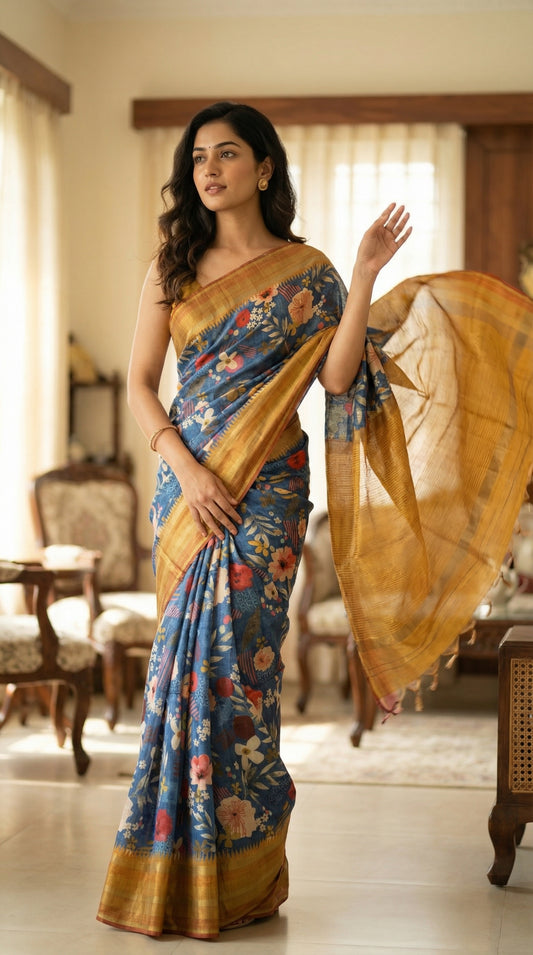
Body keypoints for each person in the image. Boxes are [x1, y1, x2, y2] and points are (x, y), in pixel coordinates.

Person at [97, 101, 533, 940]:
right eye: (197, 159)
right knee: (178, 679)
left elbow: (338, 380)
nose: (209, 170)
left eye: (227, 154)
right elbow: (141, 382)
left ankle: (243, 879)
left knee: (242, 676)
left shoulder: (308, 273)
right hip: (188, 490)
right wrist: (184, 469)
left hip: (268, 494)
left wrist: (365, 269)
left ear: (264, 168)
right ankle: (171, 873)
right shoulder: (173, 266)